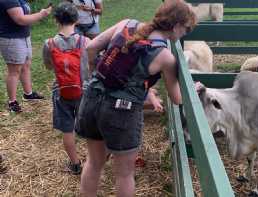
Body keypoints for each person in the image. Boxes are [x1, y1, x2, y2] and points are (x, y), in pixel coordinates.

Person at [75, 0, 197, 196]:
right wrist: (194, 88)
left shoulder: (126, 24)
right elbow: (176, 98)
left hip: (91, 98)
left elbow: (91, 48)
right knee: (124, 174)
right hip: (121, 112)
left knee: (94, 162)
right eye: (186, 29)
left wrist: (94, 75)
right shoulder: (165, 56)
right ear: (176, 26)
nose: (185, 33)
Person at [42, 2, 90, 175]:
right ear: (76, 20)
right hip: (84, 90)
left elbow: (48, 66)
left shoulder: (49, 44)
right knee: (90, 126)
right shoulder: (86, 41)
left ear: (56, 20)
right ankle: (95, 160)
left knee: (67, 130)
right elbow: (92, 65)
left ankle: (75, 164)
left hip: (61, 92)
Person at [0, 0, 51, 113]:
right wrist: (41, 14)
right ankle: (12, 102)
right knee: (14, 70)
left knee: (26, 65)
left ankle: (28, 94)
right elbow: (20, 19)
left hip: (23, 36)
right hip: (11, 38)